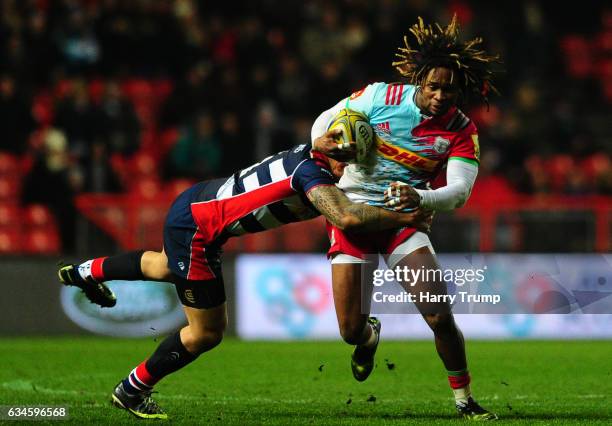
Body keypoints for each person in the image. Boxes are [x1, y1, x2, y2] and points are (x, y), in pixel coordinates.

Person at [57, 139, 431, 420]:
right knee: (206, 332)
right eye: (349, 160)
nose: (350, 168)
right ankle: (131, 390)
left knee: (165, 266)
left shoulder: (307, 152)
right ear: (335, 153)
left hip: (196, 203)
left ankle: (83, 271)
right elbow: (346, 218)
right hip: (199, 230)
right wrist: (406, 219)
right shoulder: (312, 175)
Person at [310, 15, 500, 420]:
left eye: (448, 89)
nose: (439, 96)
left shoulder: (462, 132)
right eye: (433, 86)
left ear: (459, 90)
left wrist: (421, 197)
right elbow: (323, 123)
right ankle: (369, 335)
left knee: (438, 314)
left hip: (402, 221)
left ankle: (465, 400)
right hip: (353, 210)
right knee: (349, 331)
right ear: (419, 81)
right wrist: (323, 145)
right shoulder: (379, 97)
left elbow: (459, 194)